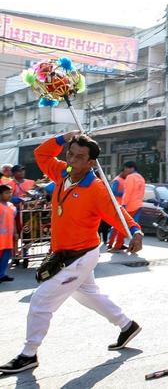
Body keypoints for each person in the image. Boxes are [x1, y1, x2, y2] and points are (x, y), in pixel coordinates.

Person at [0, 132, 143, 375]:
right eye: (71, 154)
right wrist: (62, 138)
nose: (73, 160)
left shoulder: (97, 189)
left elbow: (117, 213)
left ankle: (29, 354)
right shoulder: (62, 172)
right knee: (87, 294)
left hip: (80, 255)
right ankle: (127, 325)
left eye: (80, 157)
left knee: (40, 301)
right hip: (65, 252)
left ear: (91, 163)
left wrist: (135, 231)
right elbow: (41, 154)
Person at [110, 162, 146, 251]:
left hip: (130, 205)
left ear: (131, 168)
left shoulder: (130, 177)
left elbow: (127, 192)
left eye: (126, 168)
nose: (125, 170)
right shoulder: (141, 178)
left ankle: (118, 246)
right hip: (138, 205)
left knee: (123, 225)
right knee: (132, 225)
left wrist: (124, 205)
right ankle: (125, 245)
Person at [0, 184, 16, 282]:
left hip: (8, 237)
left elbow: (13, 220)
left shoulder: (11, 206)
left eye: (10, 192)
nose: (9, 195)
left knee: (6, 257)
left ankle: (2, 275)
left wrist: (15, 232)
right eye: (7, 193)